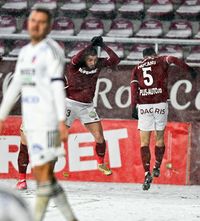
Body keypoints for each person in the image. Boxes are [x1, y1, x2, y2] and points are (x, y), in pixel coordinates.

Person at [0, 8, 77, 221]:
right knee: (45, 177)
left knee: (43, 175)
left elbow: (56, 87)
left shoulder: (51, 51)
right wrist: (1, 116)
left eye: (41, 22)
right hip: (32, 122)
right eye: (33, 21)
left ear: (49, 26)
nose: (36, 25)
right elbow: (16, 84)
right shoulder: (25, 52)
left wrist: (62, 121)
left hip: (49, 122)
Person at [130, 47, 197, 191]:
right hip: (159, 103)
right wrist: (189, 69)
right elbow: (173, 59)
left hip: (144, 105)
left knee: (144, 142)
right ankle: (157, 166)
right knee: (159, 138)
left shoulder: (137, 67)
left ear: (143, 57)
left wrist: (133, 107)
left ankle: (147, 172)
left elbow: (134, 88)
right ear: (154, 55)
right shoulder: (161, 59)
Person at [65, 36, 120, 175]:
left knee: (100, 137)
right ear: (85, 59)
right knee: (59, 137)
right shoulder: (75, 64)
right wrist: (90, 46)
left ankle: (101, 163)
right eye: (90, 60)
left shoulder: (99, 64)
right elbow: (78, 56)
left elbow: (115, 59)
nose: (93, 62)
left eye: (95, 60)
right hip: (69, 104)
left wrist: (103, 45)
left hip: (87, 107)